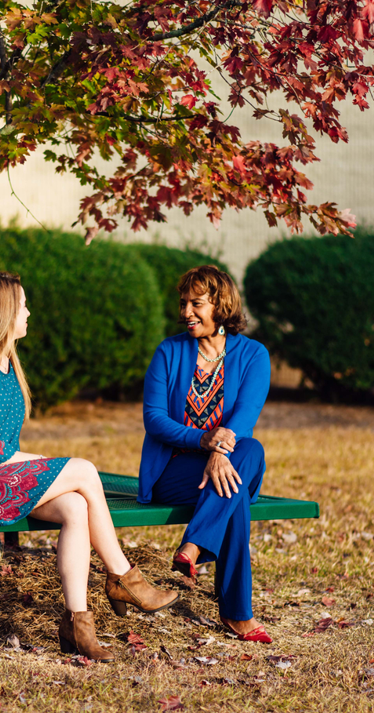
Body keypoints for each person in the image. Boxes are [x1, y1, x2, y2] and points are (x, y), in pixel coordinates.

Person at [0, 271, 179, 661]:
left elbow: (3, 451)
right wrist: (55, 467)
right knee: (84, 470)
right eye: (23, 305)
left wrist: (49, 467)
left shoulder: (7, 365)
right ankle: (122, 576)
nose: (29, 312)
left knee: (76, 506)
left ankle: (76, 624)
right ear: (3, 312)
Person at [138, 265, 273, 643]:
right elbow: (154, 420)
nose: (186, 312)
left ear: (221, 305)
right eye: (183, 303)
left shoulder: (253, 355)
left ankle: (194, 544)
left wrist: (218, 451)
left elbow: (245, 417)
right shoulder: (169, 352)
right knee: (234, 494)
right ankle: (237, 615)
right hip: (174, 471)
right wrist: (204, 441)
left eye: (196, 303)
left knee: (250, 449)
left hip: (229, 460)